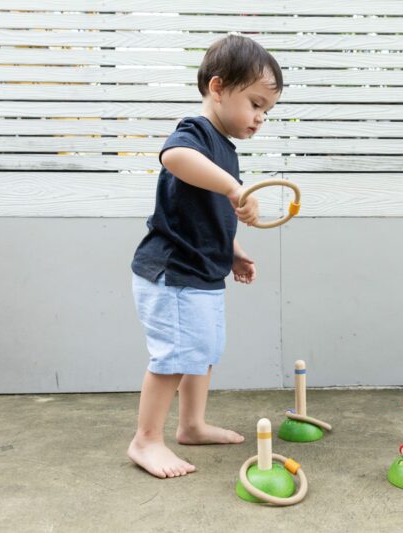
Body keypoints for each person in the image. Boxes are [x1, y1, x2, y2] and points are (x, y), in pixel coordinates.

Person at [127, 35, 283, 478]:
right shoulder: (195, 133)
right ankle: (146, 440)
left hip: (203, 272)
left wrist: (233, 252)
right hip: (172, 272)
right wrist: (235, 188)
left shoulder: (226, 153)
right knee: (175, 356)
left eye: (267, 111)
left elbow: (209, 213)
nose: (260, 118)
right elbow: (174, 157)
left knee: (202, 351)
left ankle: (191, 425)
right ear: (217, 87)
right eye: (255, 104)